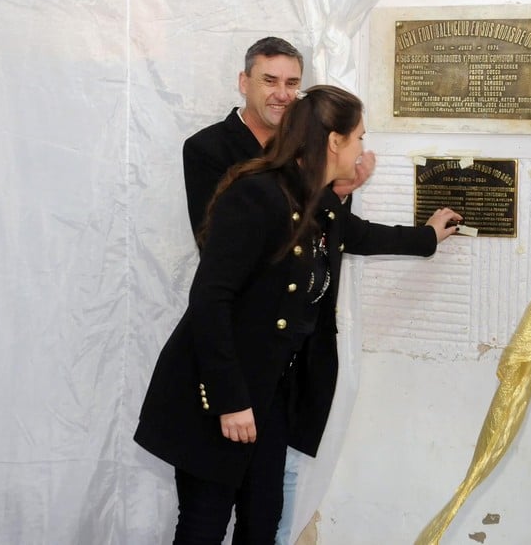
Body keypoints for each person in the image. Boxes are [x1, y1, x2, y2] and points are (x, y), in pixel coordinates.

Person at [135, 84, 462, 544]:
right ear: (334, 141)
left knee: (262, 522)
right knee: (203, 527)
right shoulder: (256, 195)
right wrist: (230, 401)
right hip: (217, 395)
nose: (363, 149)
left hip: (268, 397)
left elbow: (358, 235)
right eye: (360, 137)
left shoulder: (314, 200)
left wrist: (426, 239)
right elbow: (210, 300)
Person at [182, 36, 373, 236]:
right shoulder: (206, 148)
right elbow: (213, 241)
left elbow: (336, 236)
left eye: (291, 83)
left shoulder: (309, 141)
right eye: (270, 81)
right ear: (244, 83)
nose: (282, 95)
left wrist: (338, 195)